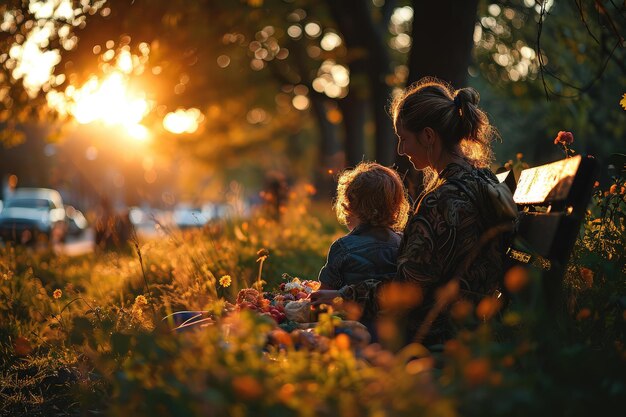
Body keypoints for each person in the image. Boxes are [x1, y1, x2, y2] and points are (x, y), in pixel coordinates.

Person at [311, 77, 514, 347]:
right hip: (469, 322)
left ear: (428, 136)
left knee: (314, 335)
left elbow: (406, 292)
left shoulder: (443, 199)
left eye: (404, 139)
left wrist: (343, 296)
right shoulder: (480, 180)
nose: (401, 150)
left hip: (433, 334)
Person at [317, 162, 410, 337]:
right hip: (394, 333)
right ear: (396, 206)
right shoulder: (403, 243)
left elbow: (324, 296)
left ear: (349, 205)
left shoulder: (342, 248)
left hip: (352, 331)